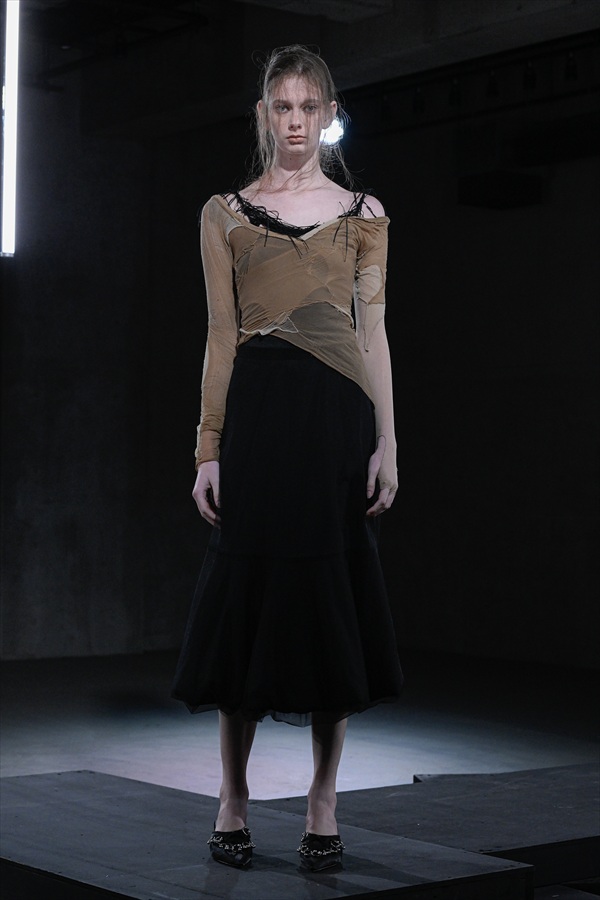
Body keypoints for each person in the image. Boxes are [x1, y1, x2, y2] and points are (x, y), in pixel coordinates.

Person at [171, 44, 403, 871]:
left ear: (328, 114)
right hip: (260, 423)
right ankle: (232, 797)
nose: (296, 122)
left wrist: (388, 442)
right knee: (246, 604)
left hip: (337, 424)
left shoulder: (363, 213)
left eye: (309, 107)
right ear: (264, 115)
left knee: (329, 603)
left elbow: (372, 334)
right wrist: (208, 448)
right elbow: (220, 334)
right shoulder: (225, 214)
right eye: (282, 106)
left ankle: (322, 801)